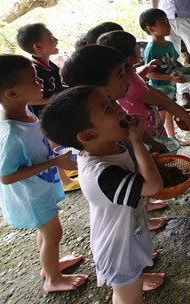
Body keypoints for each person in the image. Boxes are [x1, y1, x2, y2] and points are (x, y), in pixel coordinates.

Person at [0, 55, 88, 293]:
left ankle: (50, 266)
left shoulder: (24, 114)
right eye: (34, 80)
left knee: (47, 232)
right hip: (30, 195)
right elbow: (6, 176)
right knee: (54, 233)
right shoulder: (11, 133)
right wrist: (56, 161)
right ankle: (52, 280)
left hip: (39, 188)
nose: (40, 83)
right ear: (11, 93)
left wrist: (57, 152)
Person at [40, 86, 165, 302]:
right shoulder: (102, 174)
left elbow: (133, 175)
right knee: (127, 296)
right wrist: (137, 142)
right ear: (88, 135)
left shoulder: (106, 148)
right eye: (108, 109)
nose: (119, 109)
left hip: (127, 234)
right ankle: (134, 279)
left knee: (134, 272)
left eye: (112, 102)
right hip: (118, 250)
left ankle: (138, 275)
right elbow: (153, 186)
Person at [61, 44, 170, 231]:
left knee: (133, 186)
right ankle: (142, 214)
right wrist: (138, 143)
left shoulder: (111, 106)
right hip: (118, 239)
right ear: (98, 86)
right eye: (121, 74)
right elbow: (152, 184)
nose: (129, 77)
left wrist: (150, 142)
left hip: (127, 176)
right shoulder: (100, 131)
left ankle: (143, 212)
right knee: (130, 191)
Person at [97, 30, 190, 146]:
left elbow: (155, 92)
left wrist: (146, 68)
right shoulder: (131, 84)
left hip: (151, 127)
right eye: (136, 46)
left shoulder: (128, 77)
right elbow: (163, 102)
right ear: (129, 59)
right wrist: (187, 118)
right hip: (146, 135)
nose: (139, 48)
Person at [16, 23, 80, 192]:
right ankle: (64, 181)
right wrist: (55, 99)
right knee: (51, 146)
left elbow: (57, 88)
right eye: (51, 38)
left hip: (54, 110)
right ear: (38, 46)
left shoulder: (50, 65)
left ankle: (67, 168)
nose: (56, 40)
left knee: (59, 142)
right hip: (43, 116)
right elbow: (30, 99)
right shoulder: (33, 71)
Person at [139, 7, 190, 139]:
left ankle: (172, 138)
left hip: (170, 87)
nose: (168, 25)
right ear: (151, 29)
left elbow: (174, 61)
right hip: (159, 90)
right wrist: (169, 76)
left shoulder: (168, 44)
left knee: (169, 112)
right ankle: (159, 144)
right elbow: (149, 74)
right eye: (162, 23)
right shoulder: (152, 49)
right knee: (160, 119)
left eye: (167, 21)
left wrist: (184, 70)